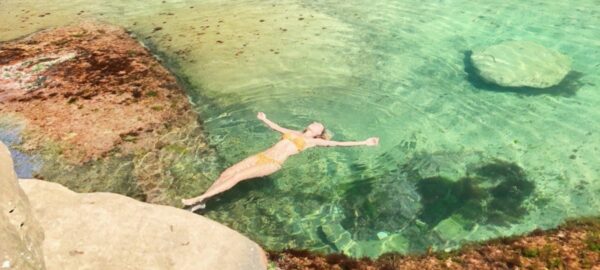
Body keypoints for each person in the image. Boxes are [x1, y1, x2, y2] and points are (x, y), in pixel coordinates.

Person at [181, 112, 379, 211]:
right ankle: (203, 202)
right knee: (226, 174)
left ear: (319, 134)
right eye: (315, 122)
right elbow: (275, 126)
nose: (316, 123)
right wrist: (263, 118)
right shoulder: (292, 132)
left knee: (239, 176)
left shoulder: (312, 142)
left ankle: (197, 199)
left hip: (272, 164)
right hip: (260, 155)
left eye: (319, 126)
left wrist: (365, 142)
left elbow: (339, 144)